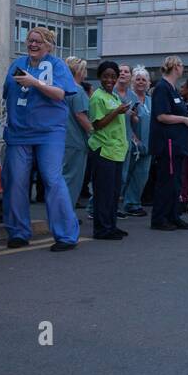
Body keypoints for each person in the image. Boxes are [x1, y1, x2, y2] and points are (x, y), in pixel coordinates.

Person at [1, 27, 81, 252]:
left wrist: (35, 83)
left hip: (49, 132)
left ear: (49, 45)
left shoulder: (58, 65)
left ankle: (66, 235)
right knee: (16, 181)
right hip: (19, 132)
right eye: (30, 40)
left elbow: (60, 94)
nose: (33, 44)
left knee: (52, 179)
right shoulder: (17, 64)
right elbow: (7, 93)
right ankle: (18, 232)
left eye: (38, 41)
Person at [149, 55, 188, 231]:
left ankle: (173, 215)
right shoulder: (162, 88)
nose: (183, 68)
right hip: (167, 143)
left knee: (175, 181)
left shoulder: (173, 89)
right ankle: (159, 218)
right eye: (181, 65)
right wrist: (184, 119)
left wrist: (187, 117)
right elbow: (161, 116)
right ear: (175, 67)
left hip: (177, 143)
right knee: (166, 181)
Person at [87, 61, 131, 240]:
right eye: (106, 76)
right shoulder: (97, 97)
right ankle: (102, 229)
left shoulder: (113, 96)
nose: (109, 80)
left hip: (115, 150)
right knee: (103, 193)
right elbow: (97, 124)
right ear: (99, 77)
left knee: (113, 193)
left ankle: (111, 225)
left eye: (113, 76)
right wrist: (117, 112)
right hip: (103, 149)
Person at [120, 66, 152, 217]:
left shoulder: (151, 100)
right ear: (133, 81)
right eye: (138, 79)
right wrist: (134, 138)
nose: (141, 82)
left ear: (148, 83)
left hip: (148, 144)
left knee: (141, 175)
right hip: (132, 143)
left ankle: (132, 204)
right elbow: (125, 121)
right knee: (124, 175)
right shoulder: (129, 98)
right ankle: (108, 205)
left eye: (143, 80)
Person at [62, 58, 93, 211]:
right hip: (76, 140)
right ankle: (66, 214)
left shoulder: (62, 88)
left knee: (63, 177)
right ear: (79, 71)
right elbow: (81, 115)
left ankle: (60, 212)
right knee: (73, 179)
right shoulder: (78, 90)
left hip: (63, 138)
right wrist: (94, 133)